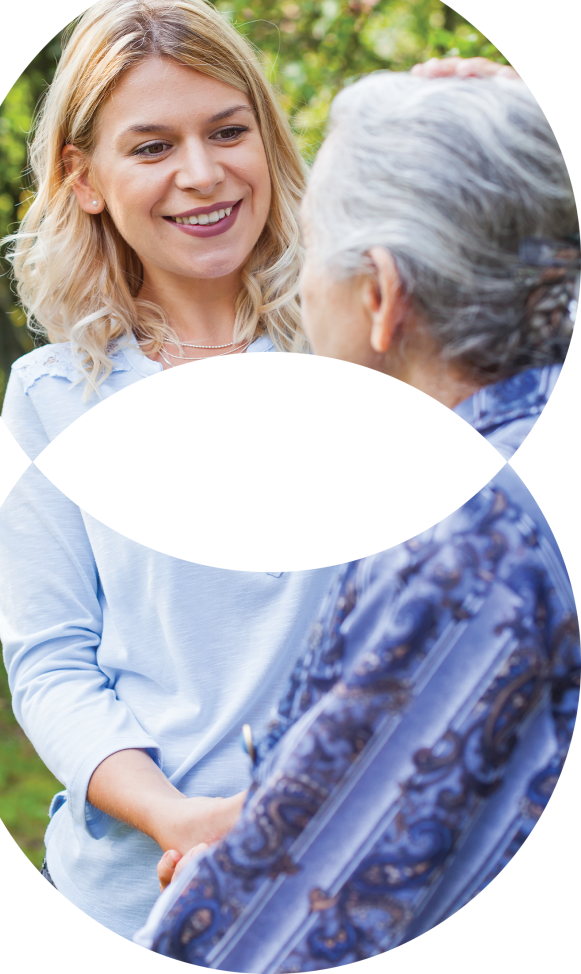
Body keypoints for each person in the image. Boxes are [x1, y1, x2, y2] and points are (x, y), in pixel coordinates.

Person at [135, 72, 580, 965]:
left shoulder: (464, 548)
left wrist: (209, 885)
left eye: (312, 256)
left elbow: (264, 944)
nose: (299, 293)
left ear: (381, 293)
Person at [0, 0, 342, 942]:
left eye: (228, 131)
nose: (203, 173)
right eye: (152, 146)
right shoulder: (54, 397)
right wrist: (177, 818)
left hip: (356, 872)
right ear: (86, 177)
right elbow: (54, 665)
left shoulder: (363, 344)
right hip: (139, 895)